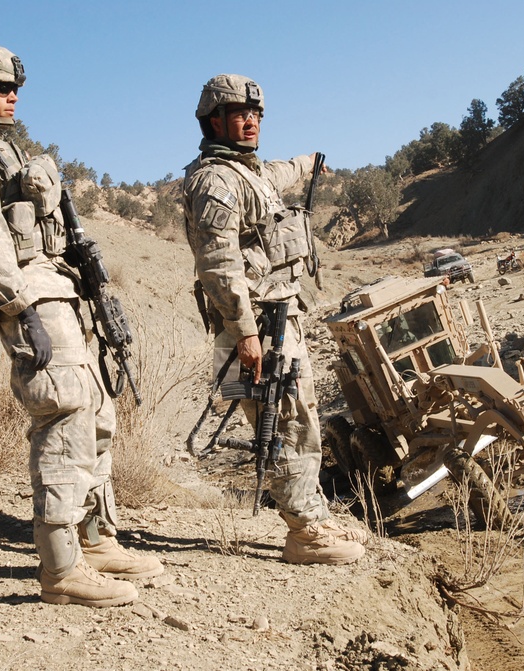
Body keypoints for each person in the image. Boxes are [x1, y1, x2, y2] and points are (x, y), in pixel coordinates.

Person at [0, 43, 162, 608]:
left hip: (60, 291)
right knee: (63, 413)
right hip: (32, 299)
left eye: (14, 89)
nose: (12, 98)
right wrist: (18, 307)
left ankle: (96, 538)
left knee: (97, 416)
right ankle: (61, 568)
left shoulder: (5, 150)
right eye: (1, 88)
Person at [182, 74, 366, 565]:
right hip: (255, 327)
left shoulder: (249, 172)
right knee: (278, 421)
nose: (251, 121)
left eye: (257, 115)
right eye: (241, 114)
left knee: (301, 417)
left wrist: (308, 164)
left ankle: (314, 517)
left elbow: (279, 174)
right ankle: (304, 533)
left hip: (280, 319)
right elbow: (218, 264)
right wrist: (244, 333)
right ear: (214, 121)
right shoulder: (215, 181)